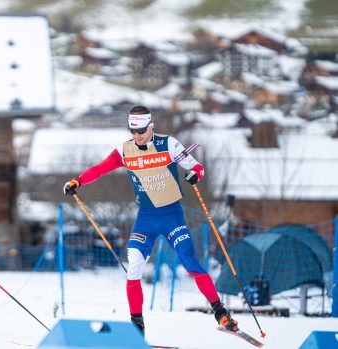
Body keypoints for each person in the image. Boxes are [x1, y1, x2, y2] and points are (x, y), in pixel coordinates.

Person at [63, 106, 238, 336]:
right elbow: (100, 169)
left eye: (142, 130)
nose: (137, 135)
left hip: (172, 216)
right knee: (133, 264)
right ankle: (137, 326)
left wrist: (195, 174)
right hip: (145, 218)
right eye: (132, 130)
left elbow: (197, 167)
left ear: (151, 126)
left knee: (190, 262)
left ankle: (220, 311)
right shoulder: (124, 151)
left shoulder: (169, 145)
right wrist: (78, 181)